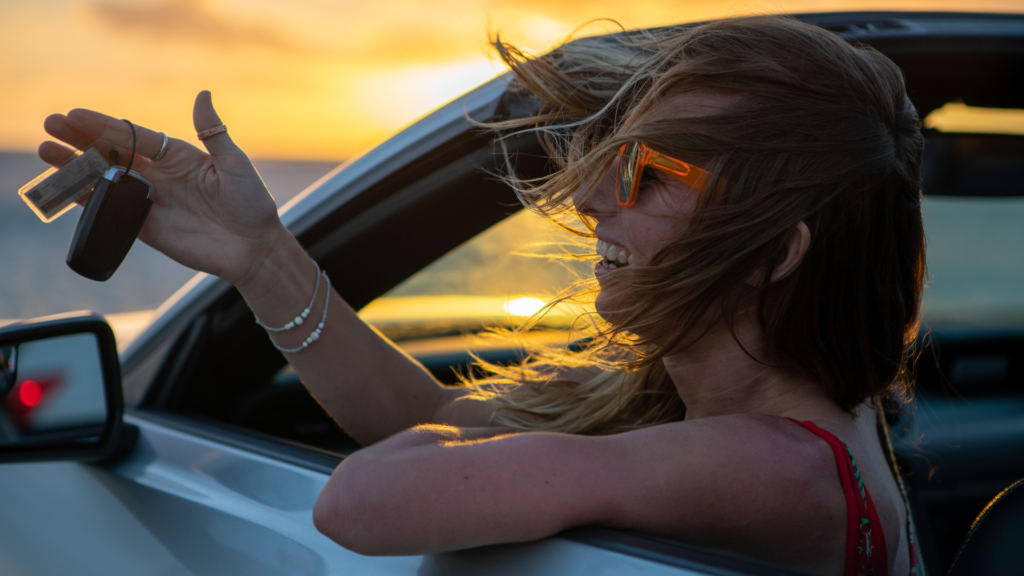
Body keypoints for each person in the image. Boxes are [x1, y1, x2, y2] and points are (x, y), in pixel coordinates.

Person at [38, 15, 924, 575]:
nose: (589, 198)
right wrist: (260, 254)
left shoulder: (774, 470)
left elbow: (361, 501)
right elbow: (425, 418)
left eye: (645, 172)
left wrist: (470, 440)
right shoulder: (783, 427)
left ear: (776, 254)